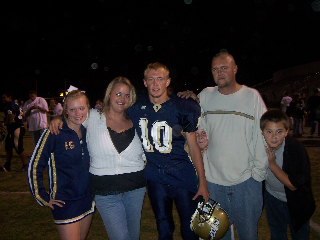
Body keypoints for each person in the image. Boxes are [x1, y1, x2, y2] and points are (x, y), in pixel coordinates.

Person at [178, 51, 268, 240]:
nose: (219, 72)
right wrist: (188, 99)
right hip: (213, 183)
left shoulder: (252, 97)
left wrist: (257, 176)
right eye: (215, 69)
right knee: (218, 237)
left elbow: (262, 138)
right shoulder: (205, 95)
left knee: (248, 235)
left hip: (246, 183)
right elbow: (197, 129)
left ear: (235, 69)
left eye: (224, 68)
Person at [49, 78, 147, 240]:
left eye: (127, 95)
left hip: (135, 189)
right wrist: (59, 118)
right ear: (109, 95)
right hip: (105, 190)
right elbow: (74, 114)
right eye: (118, 94)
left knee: (133, 235)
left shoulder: (136, 120)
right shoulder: (93, 117)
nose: (122, 99)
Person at [127, 62, 209, 240]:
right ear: (144, 82)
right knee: (163, 228)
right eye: (151, 79)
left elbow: (193, 147)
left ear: (168, 81)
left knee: (190, 229)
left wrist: (202, 182)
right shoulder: (135, 105)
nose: (155, 84)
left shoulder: (184, 107)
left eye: (160, 79)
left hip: (182, 175)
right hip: (156, 177)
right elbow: (113, 111)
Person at [27, 90, 94, 240]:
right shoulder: (54, 132)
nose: (78, 113)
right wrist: (42, 197)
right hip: (65, 201)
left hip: (86, 199)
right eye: (72, 109)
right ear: (66, 110)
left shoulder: (90, 130)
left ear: (88, 108)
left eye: (82, 108)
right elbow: (34, 165)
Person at [260, 109, 316, 240]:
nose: (274, 136)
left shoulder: (296, 149)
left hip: (296, 201)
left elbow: (293, 185)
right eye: (269, 131)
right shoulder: (259, 147)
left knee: (300, 234)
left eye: (279, 131)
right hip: (272, 197)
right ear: (262, 132)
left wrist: (272, 164)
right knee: (276, 232)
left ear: (286, 132)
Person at [1, 92, 28, 172]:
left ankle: (25, 165)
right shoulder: (12, 104)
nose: (3, 99)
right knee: (8, 146)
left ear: (10, 98)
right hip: (13, 128)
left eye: (4, 97)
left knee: (17, 146)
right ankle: (7, 164)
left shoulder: (10, 106)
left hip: (17, 127)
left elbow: (10, 120)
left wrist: (2, 124)